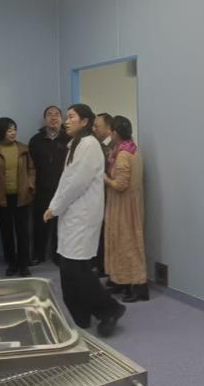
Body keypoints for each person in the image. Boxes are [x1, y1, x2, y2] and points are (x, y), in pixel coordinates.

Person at [44, 104, 126, 336]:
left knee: (76, 268)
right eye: (67, 117)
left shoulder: (89, 145)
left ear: (85, 122)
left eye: (71, 117)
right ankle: (81, 315)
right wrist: (55, 206)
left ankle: (109, 309)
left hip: (82, 214)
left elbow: (76, 183)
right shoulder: (75, 144)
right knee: (69, 268)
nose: (66, 121)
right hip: (73, 214)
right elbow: (66, 181)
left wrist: (55, 208)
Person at [104, 115, 148, 302]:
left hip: (124, 206)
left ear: (115, 132)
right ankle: (121, 280)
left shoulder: (123, 154)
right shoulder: (132, 149)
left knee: (127, 245)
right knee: (123, 243)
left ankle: (138, 286)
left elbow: (121, 184)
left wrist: (104, 178)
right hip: (130, 203)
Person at [0, 117, 36, 277]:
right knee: (6, 232)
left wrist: (30, 184)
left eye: (14, 129)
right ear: (1, 131)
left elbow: (32, 169)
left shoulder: (23, 148)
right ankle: (11, 263)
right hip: (2, 198)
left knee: (23, 232)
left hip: (21, 196)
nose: (13, 133)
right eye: (9, 130)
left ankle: (23, 265)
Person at [28, 106, 69, 265]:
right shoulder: (35, 140)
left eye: (57, 114)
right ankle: (38, 254)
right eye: (50, 115)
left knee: (61, 224)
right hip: (41, 188)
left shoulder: (68, 139)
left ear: (61, 118)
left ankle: (58, 255)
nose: (53, 117)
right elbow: (30, 166)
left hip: (63, 189)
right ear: (45, 119)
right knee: (40, 223)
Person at [91, 113, 115, 278]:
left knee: (106, 232)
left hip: (110, 195)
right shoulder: (97, 145)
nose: (94, 129)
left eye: (97, 126)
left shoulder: (115, 147)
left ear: (108, 128)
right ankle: (100, 264)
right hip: (98, 194)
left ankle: (104, 267)